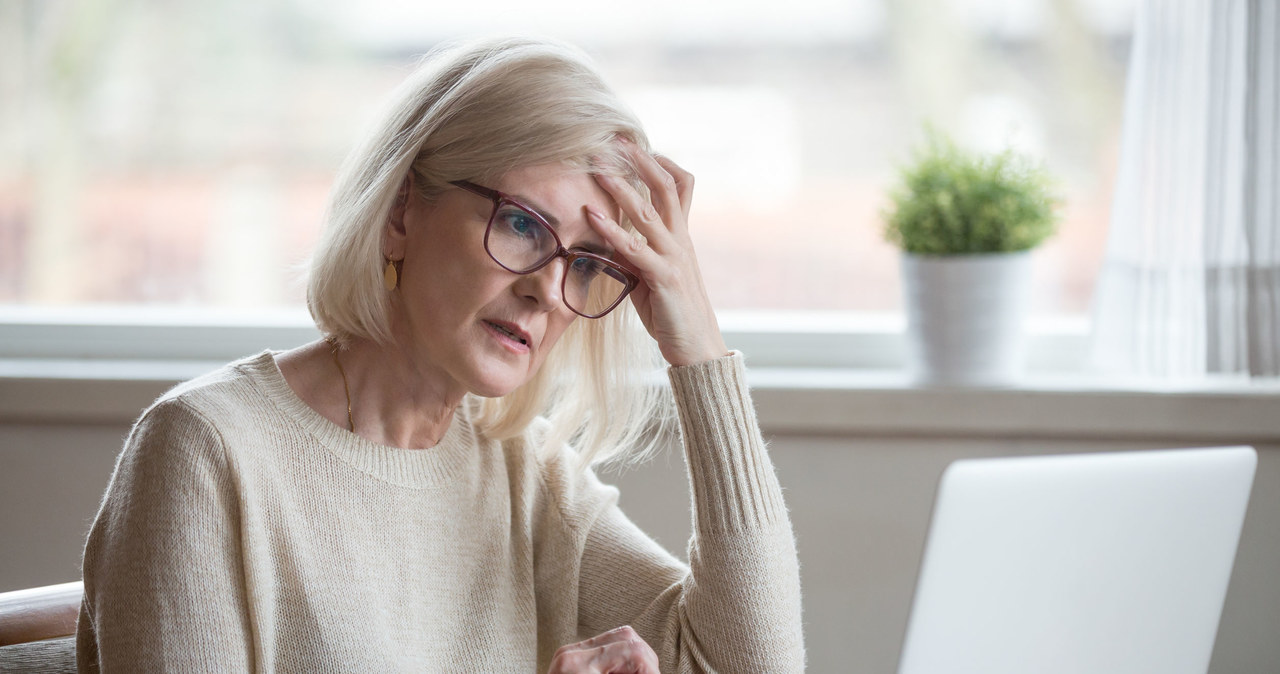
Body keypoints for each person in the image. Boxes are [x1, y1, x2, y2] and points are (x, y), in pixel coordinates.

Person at [77, 37, 805, 673]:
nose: (548, 291)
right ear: (400, 213)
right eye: (522, 224)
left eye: (588, 264)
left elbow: (748, 664)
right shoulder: (205, 453)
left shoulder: (528, 476)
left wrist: (697, 346)